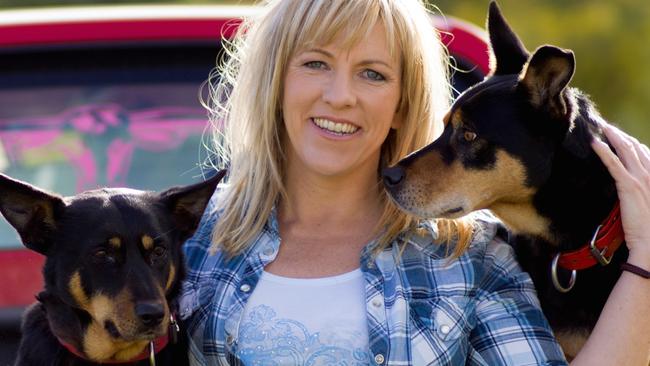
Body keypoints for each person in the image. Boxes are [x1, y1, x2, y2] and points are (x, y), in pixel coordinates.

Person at [179, 0, 650, 364]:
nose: (340, 96)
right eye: (315, 63)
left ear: (403, 100)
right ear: (274, 80)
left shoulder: (475, 261)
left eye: (372, 73)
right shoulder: (185, 242)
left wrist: (646, 251)